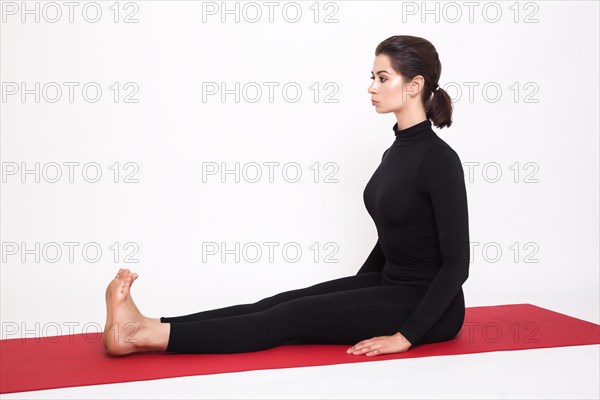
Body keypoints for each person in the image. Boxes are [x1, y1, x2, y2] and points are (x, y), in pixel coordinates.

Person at [103, 35, 470, 357]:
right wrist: (349, 296)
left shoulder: (440, 161)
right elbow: (395, 236)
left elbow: (457, 264)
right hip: (391, 287)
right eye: (372, 78)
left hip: (428, 305)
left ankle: (145, 338)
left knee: (286, 318)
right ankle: (149, 323)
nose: (372, 87)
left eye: (382, 78)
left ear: (414, 85)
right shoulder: (395, 152)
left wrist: (406, 337)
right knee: (281, 301)